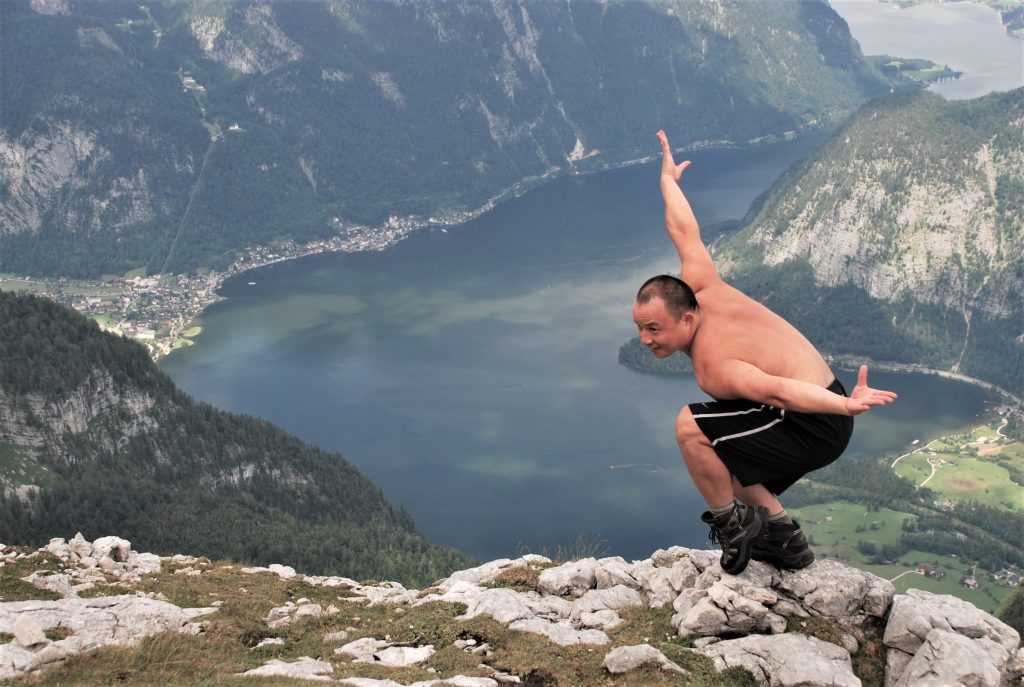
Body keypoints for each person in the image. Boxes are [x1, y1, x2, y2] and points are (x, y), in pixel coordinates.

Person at [633, 130, 897, 575]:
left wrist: (846, 405)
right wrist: (669, 183)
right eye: (639, 329)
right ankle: (784, 539)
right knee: (718, 463)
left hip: (813, 413)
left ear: (686, 320)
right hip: (821, 407)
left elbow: (778, 390)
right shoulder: (701, 285)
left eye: (654, 329)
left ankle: (735, 527)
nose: (646, 339)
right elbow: (683, 229)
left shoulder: (719, 365)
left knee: (691, 429)